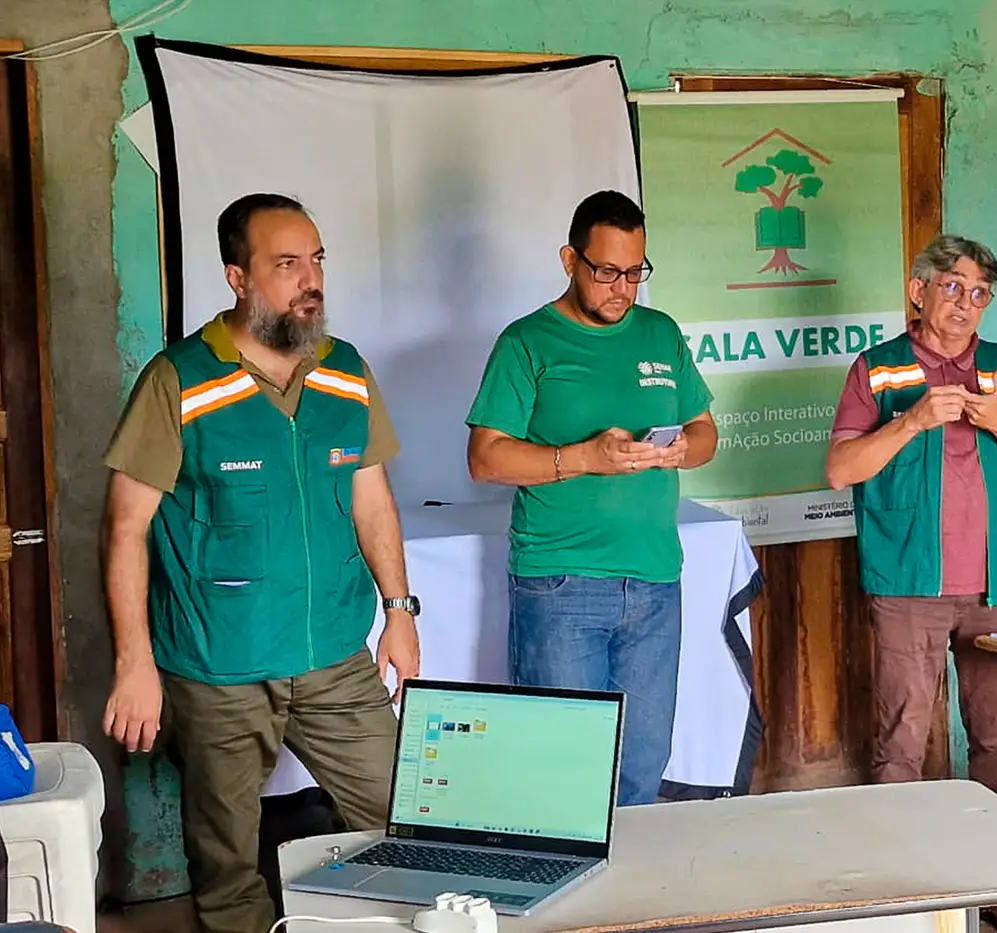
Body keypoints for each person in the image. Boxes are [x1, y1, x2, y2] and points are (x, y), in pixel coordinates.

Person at [101, 193, 421, 933]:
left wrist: (400, 612)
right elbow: (124, 529)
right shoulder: (180, 381)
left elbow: (373, 502)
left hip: (334, 657)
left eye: (316, 261)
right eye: (286, 264)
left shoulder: (346, 372)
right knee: (227, 868)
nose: (310, 280)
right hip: (219, 669)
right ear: (238, 278)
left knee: (405, 819)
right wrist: (134, 664)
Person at [466, 190, 717, 806]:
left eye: (634, 272)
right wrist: (585, 457)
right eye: (606, 272)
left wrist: (683, 449)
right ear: (569, 260)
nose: (622, 289)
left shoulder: (660, 333)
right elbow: (485, 458)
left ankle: (631, 874)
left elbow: (706, 432)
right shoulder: (527, 342)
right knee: (564, 772)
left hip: (654, 581)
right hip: (560, 584)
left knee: (642, 765)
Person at [826, 234, 997, 800]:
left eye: (979, 293)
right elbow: (840, 470)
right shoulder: (877, 369)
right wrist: (911, 422)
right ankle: (902, 856)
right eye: (952, 287)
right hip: (910, 582)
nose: (964, 304)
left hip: (996, 586)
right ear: (918, 291)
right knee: (900, 745)